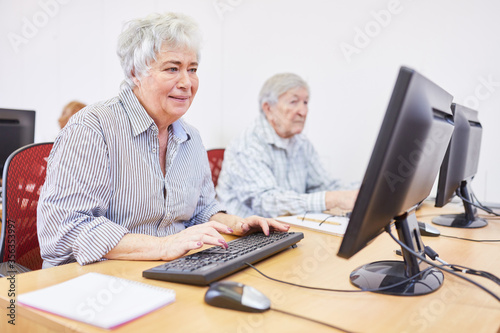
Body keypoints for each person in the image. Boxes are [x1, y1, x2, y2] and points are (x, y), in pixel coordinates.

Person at [37, 12, 288, 268]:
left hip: (169, 270)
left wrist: (237, 225)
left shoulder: (191, 138)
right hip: (94, 282)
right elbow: (64, 231)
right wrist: (164, 246)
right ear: (136, 73)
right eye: (172, 69)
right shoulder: (93, 128)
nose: (187, 82)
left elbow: (200, 211)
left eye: (192, 69)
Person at [216, 73, 357, 218]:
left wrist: (363, 192)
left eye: (305, 102)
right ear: (268, 108)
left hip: (288, 226)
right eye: (293, 102)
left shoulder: (301, 142)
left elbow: (324, 186)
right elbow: (267, 202)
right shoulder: (248, 145)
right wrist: (331, 199)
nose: (303, 111)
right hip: (245, 235)